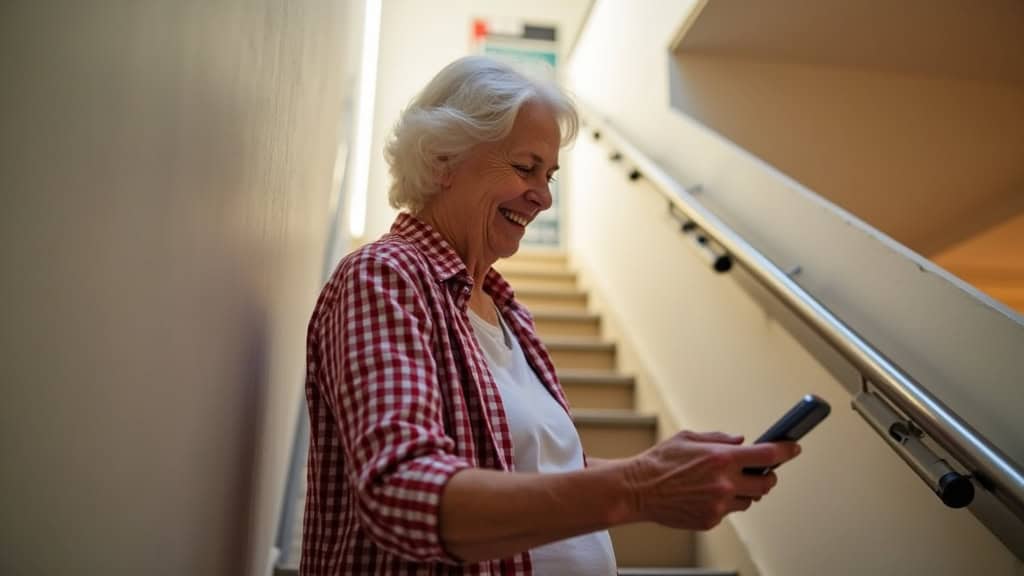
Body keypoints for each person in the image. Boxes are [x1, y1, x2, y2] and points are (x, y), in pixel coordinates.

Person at [300, 55, 800, 576]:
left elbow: (533, 466)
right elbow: (401, 491)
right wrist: (639, 488)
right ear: (443, 159)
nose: (543, 197)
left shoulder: (507, 311)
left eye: (550, 174)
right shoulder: (383, 276)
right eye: (525, 167)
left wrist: (663, 471)